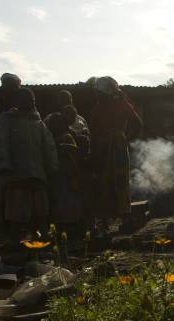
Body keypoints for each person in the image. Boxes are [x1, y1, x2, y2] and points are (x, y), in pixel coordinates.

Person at [0, 88, 58, 240]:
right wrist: (4, 164)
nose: (30, 103)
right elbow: (1, 143)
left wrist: (52, 166)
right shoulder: (8, 120)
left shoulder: (39, 123)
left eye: (32, 100)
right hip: (17, 174)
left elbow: (49, 146)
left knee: (40, 210)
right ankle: (18, 240)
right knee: (18, 210)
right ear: (18, 101)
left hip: (37, 174)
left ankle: (41, 238)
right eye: (26, 99)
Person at [89, 76, 142, 231]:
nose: (97, 95)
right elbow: (93, 131)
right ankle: (104, 221)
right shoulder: (98, 108)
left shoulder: (121, 104)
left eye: (99, 93)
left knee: (120, 181)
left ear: (107, 91)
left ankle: (125, 218)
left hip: (117, 148)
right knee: (103, 182)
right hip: (103, 149)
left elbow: (138, 124)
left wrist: (125, 139)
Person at [45, 106, 85, 228]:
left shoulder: (68, 135)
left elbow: (74, 153)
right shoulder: (56, 137)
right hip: (61, 172)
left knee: (66, 199)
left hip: (66, 172)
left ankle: (68, 225)